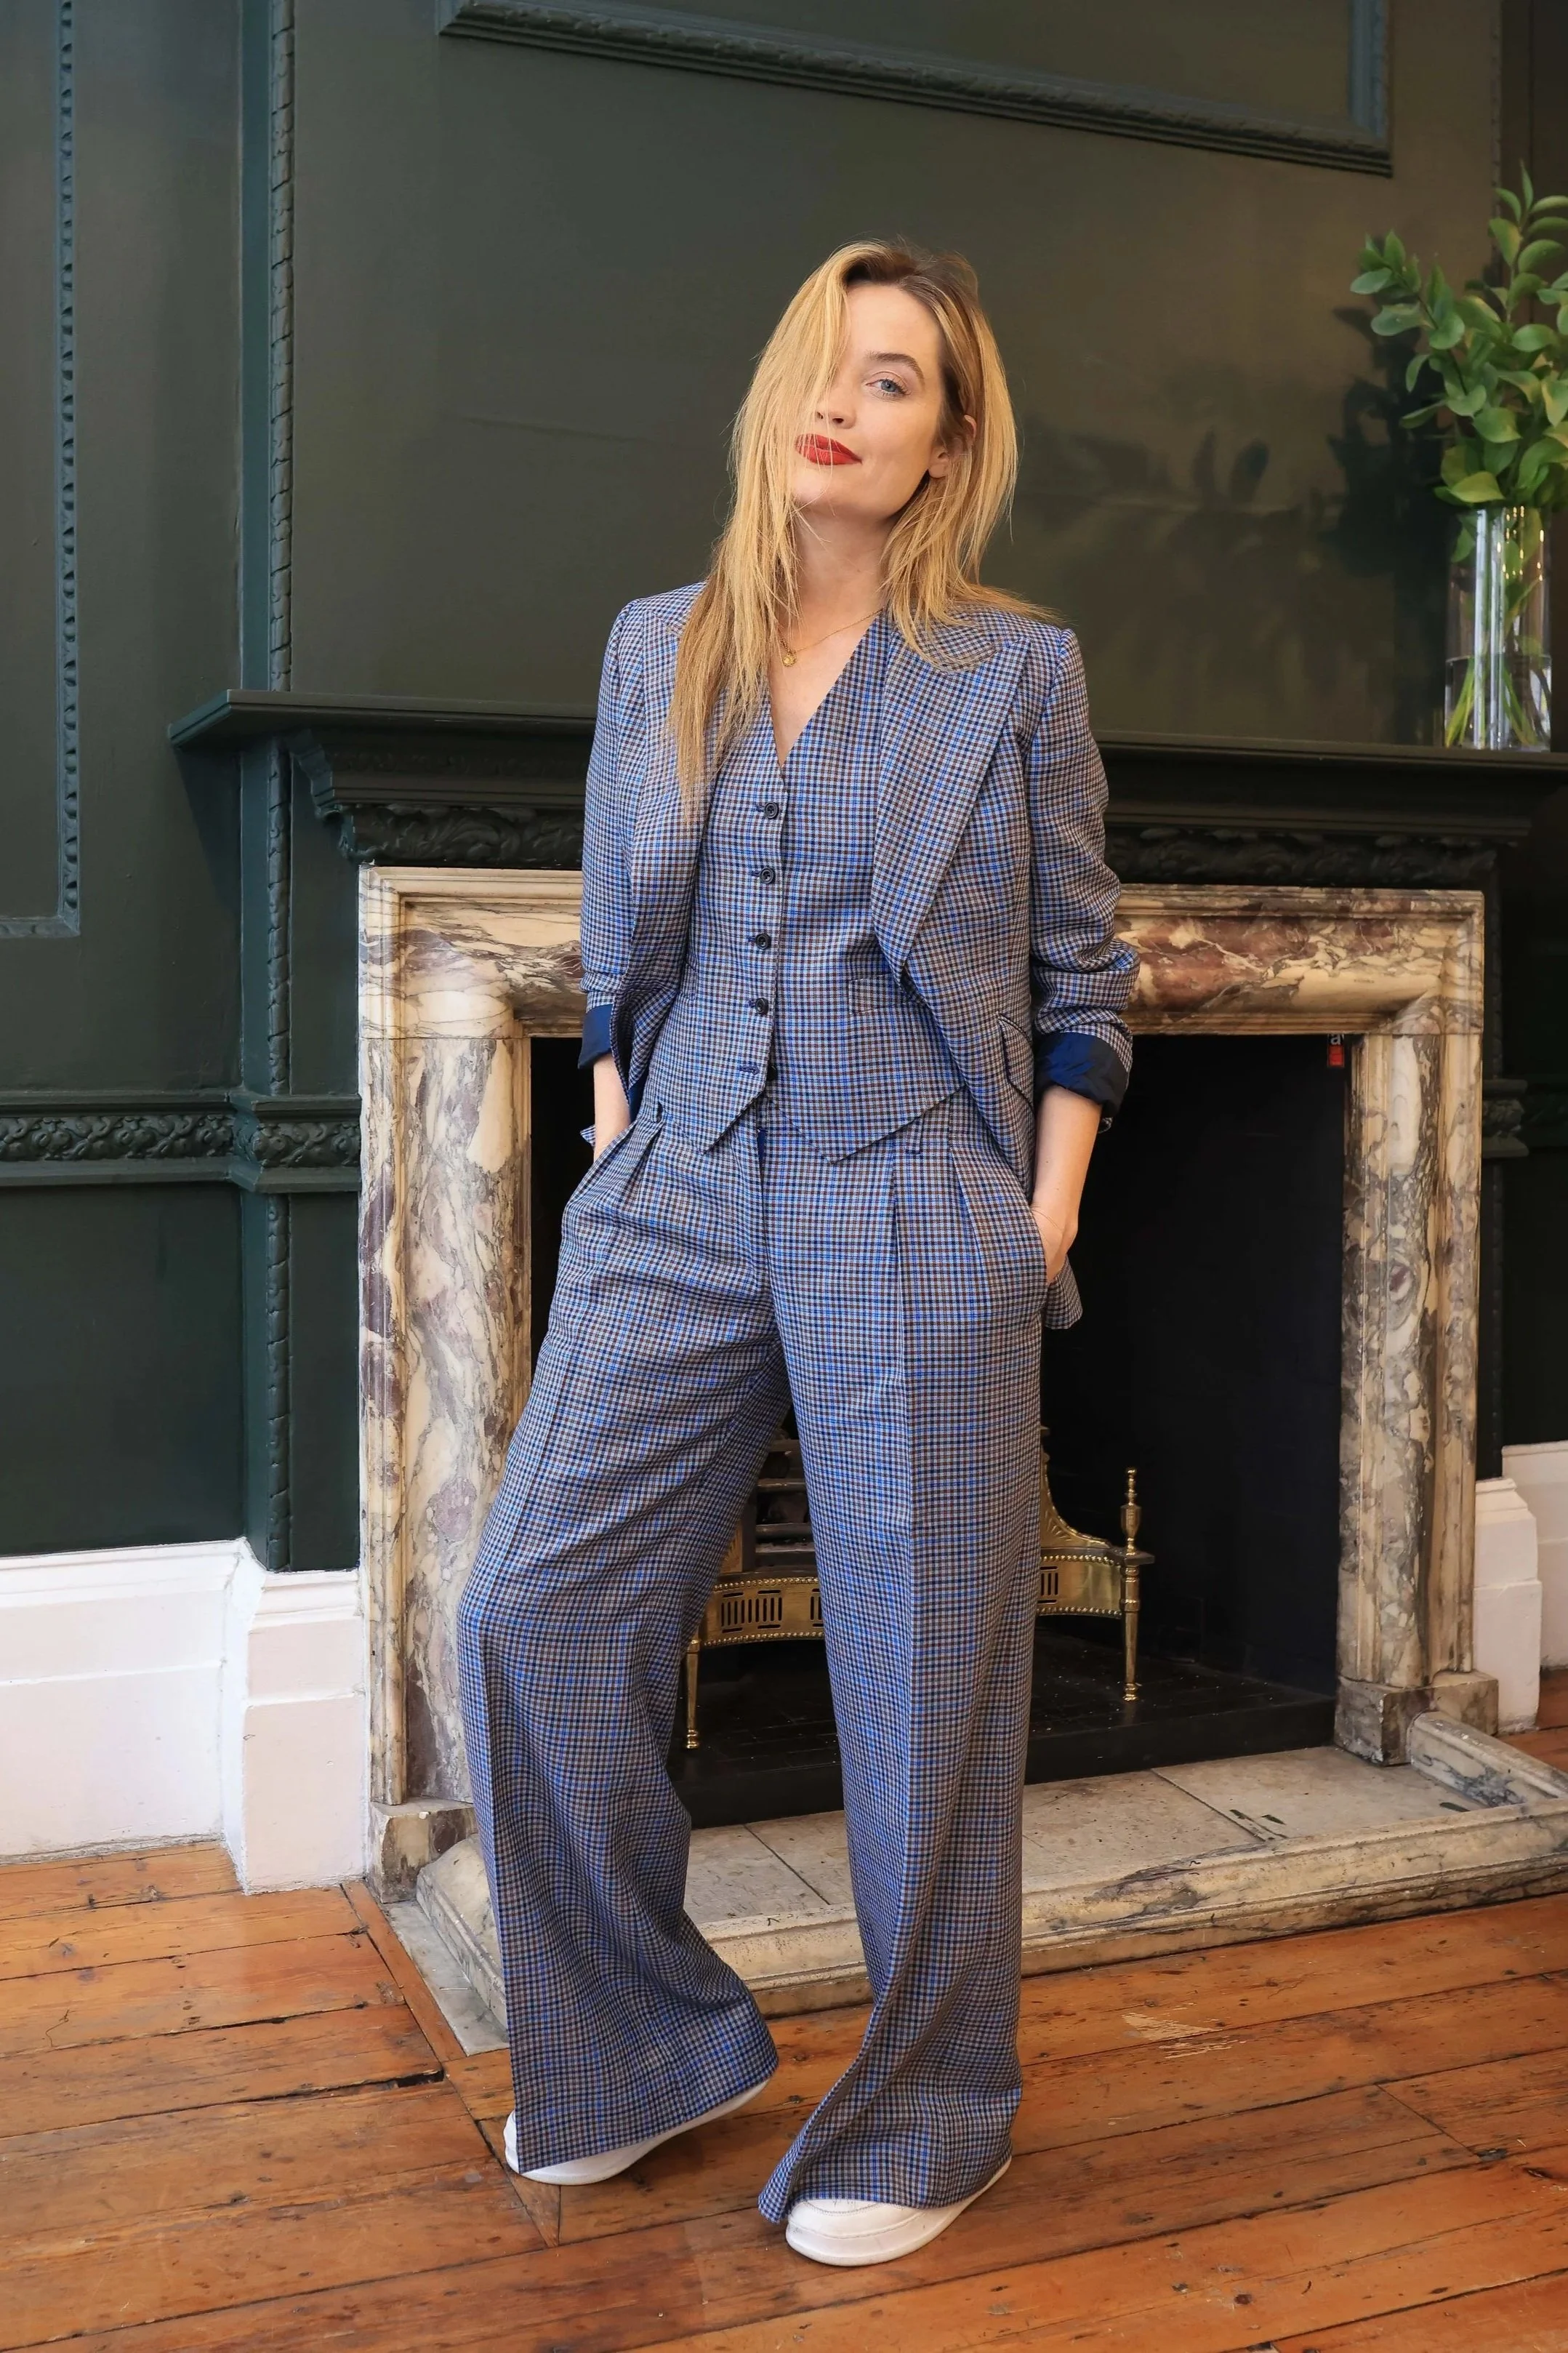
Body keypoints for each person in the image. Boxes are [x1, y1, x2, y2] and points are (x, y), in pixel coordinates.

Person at [457, 238, 1137, 2270]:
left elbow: (1086, 965)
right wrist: (608, 1129)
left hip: (917, 1187)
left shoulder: (1011, 670)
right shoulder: (652, 642)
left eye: (900, 381)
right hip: (678, 1174)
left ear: (945, 449)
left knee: (926, 1675)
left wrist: (1038, 1220)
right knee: (525, 1612)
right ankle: (642, 2044)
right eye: (824, 367)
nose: (846, 401)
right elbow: (616, 930)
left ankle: (929, 2108)